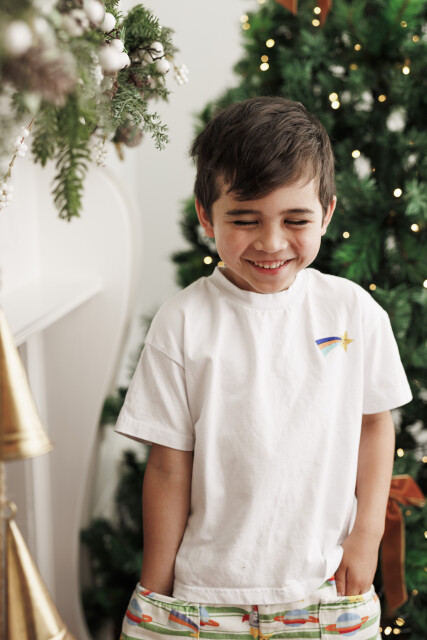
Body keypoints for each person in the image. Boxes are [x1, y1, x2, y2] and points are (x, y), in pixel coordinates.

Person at [115, 97, 412, 640]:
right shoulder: (181, 322)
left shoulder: (355, 312)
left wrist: (366, 536)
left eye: (295, 220)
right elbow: (169, 465)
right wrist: (155, 595)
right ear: (206, 216)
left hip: (328, 594)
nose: (271, 243)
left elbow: (375, 424)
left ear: (326, 212)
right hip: (206, 599)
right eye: (245, 219)